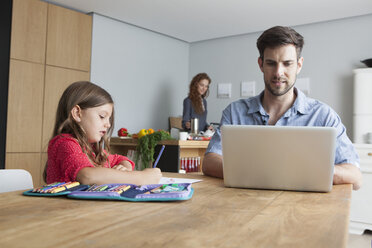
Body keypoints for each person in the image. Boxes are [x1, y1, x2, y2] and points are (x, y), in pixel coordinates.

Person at [202, 26, 362, 190]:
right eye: (271, 63)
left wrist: (302, 172)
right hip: (245, 209)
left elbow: (355, 176)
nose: (279, 72)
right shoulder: (235, 112)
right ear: (261, 64)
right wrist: (269, 173)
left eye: (287, 63)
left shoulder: (324, 116)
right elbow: (210, 161)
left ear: (299, 65)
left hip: (302, 212)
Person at [44, 81, 162, 185]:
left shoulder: (91, 149)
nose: (108, 124)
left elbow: (119, 159)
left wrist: (124, 167)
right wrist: (142, 178)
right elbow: (88, 176)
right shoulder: (64, 143)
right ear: (77, 113)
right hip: (65, 210)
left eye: (108, 119)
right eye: (102, 116)